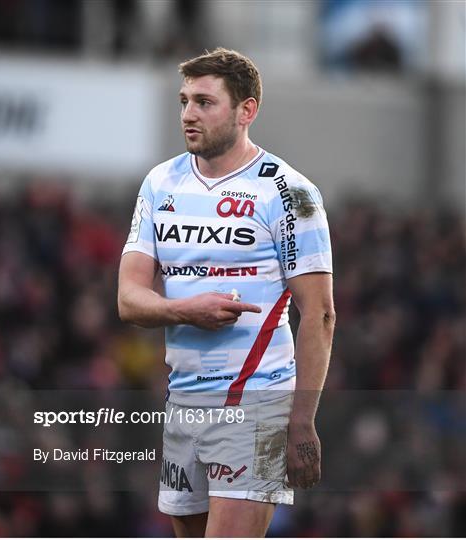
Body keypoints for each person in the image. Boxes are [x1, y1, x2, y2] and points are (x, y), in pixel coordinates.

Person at [118, 47, 335, 538]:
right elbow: (128, 299)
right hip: (183, 401)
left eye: (204, 102)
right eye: (184, 100)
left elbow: (319, 313)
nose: (188, 114)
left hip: (256, 403)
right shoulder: (160, 183)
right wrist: (182, 310)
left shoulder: (288, 192)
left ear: (246, 110)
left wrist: (302, 420)